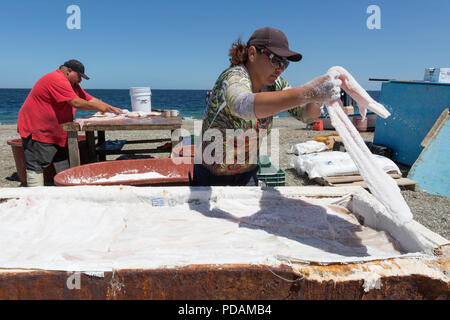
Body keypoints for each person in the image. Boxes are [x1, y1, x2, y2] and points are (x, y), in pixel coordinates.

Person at [192, 27, 342, 186]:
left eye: (285, 63)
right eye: (276, 60)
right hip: (210, 177)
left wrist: (318, 98)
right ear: (252, 54)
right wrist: (309, 91)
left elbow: (306, 115)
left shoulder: (276, 85)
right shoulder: (233, 77)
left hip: (248, 174)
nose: (280, 68)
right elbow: (242, 104)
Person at [17, 59, 124, 187]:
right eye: (79, 76)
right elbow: (76, 102)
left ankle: (64, 189)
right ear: (69, 71)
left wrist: (112, 108)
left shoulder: (72, 84)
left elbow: (89, 99)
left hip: (55, 130)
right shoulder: (56, 79)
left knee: (61, 158)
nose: (80, 80)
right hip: (37, 128)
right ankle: (34, 196)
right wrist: (100, 108)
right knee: (36, 164)